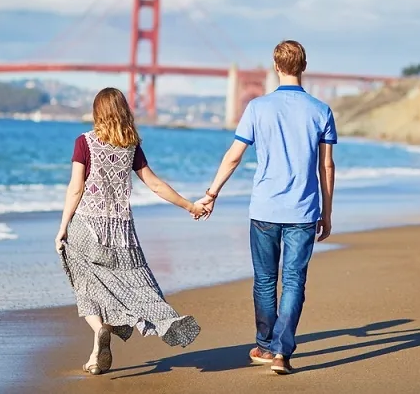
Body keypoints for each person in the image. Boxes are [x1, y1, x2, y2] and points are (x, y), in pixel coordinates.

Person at [196, 40, 337, 375]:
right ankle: (281, 353)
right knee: (293, 281)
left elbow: (234, 155)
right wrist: (327, 212)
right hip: (303, 210)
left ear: (276, 67)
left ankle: (265, 344)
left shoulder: (258, 108)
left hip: (264, 211)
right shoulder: (321, 111)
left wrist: (212, 193)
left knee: (264, 280)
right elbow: (326, 167)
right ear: (304, 66)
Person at [55, 88, 205, 376]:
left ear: (98, 112)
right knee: (135, 285)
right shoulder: (131, 146)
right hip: (121, 233)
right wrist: (189, 205)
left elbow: (76, 189)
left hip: (86, 227)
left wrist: (62, 228)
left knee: (87, 285)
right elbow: (156, 184)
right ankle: (114, 342)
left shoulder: (84, 142)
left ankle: (100, 329)